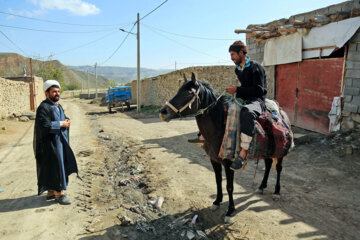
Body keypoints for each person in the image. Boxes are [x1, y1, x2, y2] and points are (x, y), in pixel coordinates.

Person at [33, 80, 78, 205]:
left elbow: (60, 117)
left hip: (59, 142)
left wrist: (66, 120)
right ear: (47, 94)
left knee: (53, 167)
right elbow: (44, 125)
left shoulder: (57, 105)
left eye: (58, 91)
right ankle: (60, 194)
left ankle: (51, 191)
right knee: (57, 167)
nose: (57, 94)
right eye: (54, 92)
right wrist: (61, 124)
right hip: (49, 144)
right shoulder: (43, 107)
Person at [225, 40, 267, 170]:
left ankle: (243, 153)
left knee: (247, 113)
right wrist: (235, 93)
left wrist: (237, 90)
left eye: (233, 54)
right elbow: (245, 88)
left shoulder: (256, 67)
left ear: (242, 53)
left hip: (257, 100)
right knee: (221, 106)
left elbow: (259, 90)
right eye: (230, 55)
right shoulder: (238, 70)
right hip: (244, 98)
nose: (231, 58)